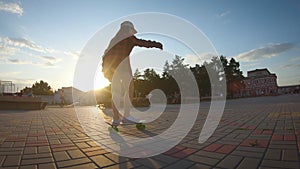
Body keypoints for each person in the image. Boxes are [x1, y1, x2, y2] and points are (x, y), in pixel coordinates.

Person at [102, 21, 163, 126]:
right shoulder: (129, 38)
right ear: (128, 29)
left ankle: (116, 119)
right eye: (132, 30)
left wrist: (105, 72)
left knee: (116, 93)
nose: (133, 33)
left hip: (112, 70)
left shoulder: (114, 40)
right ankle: (126, 116)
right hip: (124, 68)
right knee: (129, 89)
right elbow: (143, 43)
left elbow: (105, 55)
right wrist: (157, 44)